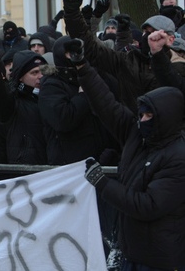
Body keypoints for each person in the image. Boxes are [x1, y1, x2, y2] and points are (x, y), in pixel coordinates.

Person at [68, 38, 185, 270]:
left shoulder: (178, 157)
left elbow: (147, 205)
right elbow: (106, 104)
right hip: (130, 252)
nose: (142, 120)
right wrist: (82, 66)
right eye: (141, 114)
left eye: (149, 116)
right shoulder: (137, 133)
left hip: (159, 260)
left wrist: (102, 183)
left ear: (167, 117)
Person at [62, 0, 176, 114]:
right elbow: (92, 49)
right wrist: (73, 15)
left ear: (170, 39)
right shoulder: (128, 61)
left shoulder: (177, 66)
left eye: (155, 32)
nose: (149, 37)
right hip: (135, 127)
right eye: (146, 32)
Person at [38, 36, 117, 165]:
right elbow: (62, 119)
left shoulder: (95, 77)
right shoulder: (51, 85)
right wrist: (83, 96)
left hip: (102, 160)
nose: (76, 56)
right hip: (71, 166)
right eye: (71, 53)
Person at [0, 38, 48, 165]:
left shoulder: (52, 98)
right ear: (21, 77)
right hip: (24, 171)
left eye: (43, 71)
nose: (40, 76)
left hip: (52, 169)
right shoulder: (14, 103)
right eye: (34, 72)